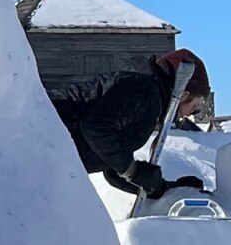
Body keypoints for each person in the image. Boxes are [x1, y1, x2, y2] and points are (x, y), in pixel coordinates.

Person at [49, 50, 212, 198]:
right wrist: (131, 170)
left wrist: (159, 187)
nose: (187, 115)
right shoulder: (144, 90)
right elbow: (96, 127)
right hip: (45, 137)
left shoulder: (147, 96)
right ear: (184, 95)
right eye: (194, 108)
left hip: (49, 155)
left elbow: (113, 166)